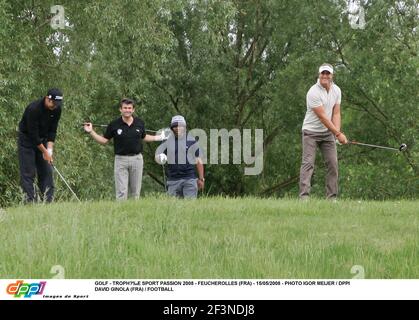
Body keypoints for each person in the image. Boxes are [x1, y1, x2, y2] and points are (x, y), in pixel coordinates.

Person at [84, 98, 163, 200]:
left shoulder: (140, 123)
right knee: (121, 192)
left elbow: (144, 137)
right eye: (125, 108)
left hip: (137, 159)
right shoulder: (114, 124)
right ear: (120, 109)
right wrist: (91, 132)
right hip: (121, 160)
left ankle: (135, 214)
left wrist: (158, 137)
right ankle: (121, 214)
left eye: (129, 108)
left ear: (133, 110)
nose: (127, 110)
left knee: (135, 193)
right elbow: (104, 140)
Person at [299, 63, 348, 200]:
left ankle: (331, 198)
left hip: (327, 133)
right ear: (319, 75)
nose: (325, 76)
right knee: (308, 164)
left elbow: (336, 113)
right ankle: (304, 198)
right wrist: (338, 134)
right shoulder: (313, 92)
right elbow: (323, 117)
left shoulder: (337, 90)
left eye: (328, 73)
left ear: (332, 76)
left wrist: (336, 133)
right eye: (323, 73)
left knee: (333, 164)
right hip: (311, 132)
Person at [18, 88, 63, 203]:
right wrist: (45, 152)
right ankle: (30, 202)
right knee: (28, 173)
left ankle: (48, 202)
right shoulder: (33, 109)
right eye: (53, 103)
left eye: (57, 104)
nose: (55, 106)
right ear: (47, 98)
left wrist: (50, 150)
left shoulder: (57, 109)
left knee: (47, 172)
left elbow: (53, 131)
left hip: (42, 140)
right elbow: (33, 136)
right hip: (27, 141)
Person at [156, 115, 204, 198]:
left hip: (189, 179)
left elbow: (198, 160)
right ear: (171, 128)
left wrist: (201, 178)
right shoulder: (166, 140)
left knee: (190, 207)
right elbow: (157, 156)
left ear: (184, 127)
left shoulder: (192, 141)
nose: (178, 128)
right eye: (175, 126)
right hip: (172, 180)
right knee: (172, 208)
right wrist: (159, 158)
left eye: (180, 126)